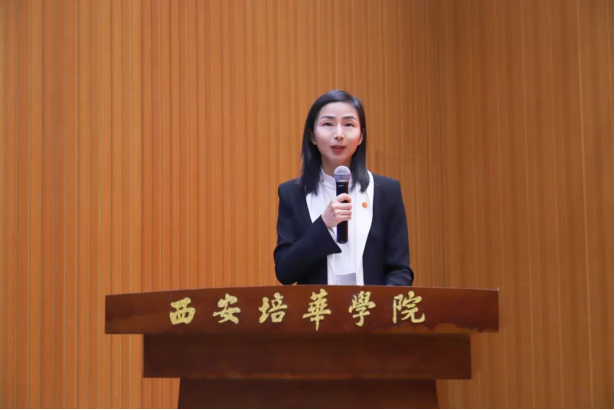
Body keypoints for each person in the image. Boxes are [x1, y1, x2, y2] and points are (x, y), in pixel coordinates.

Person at [274, 90, 414, 286]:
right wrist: (323, 225)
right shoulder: (292, 193)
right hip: (318, 305)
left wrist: (383, 304)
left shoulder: (386, 191)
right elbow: (285, 272)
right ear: (312, 136)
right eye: (328, 124)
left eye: (348, 125)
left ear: (361, 136)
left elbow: (399, 270)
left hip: (370, 305)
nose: (339, 134)